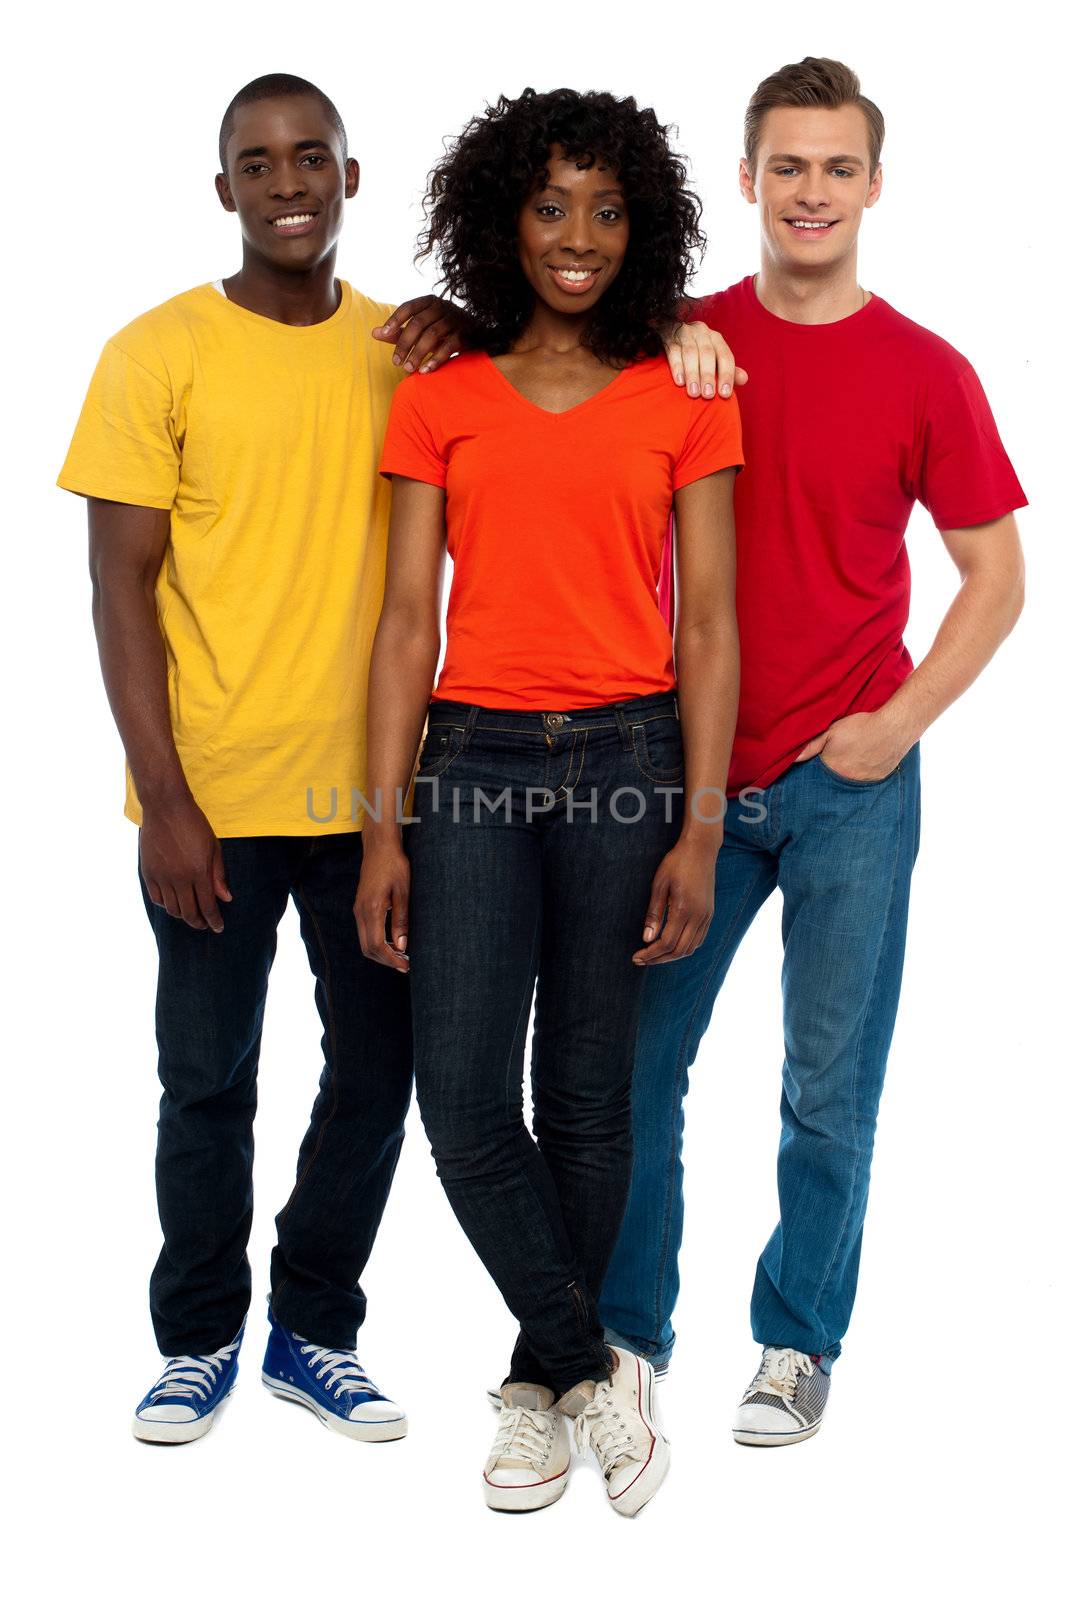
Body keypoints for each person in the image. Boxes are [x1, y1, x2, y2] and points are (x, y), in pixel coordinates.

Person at [598, 56, 1027, 1445]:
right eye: (786, 165)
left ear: (874, 186)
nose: (810, 191)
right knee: (634, 1068)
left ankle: (794, 1343)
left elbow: (995, 578)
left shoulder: (925, 370)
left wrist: (894, 726)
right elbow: (541, 345)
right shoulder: (683, 339)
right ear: (746, 180)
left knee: (827, 1086)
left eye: (836, 167)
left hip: (853, 786)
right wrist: (660, 331)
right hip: (689, 778)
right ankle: (623, 1339)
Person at [57, 72, 468, 1446]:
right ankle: (194, 1341)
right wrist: (164, 802)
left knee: (374, 1075)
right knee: (207, 1080)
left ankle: (312, 1329)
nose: (286, 181)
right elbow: (120, 591)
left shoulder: (407, 353)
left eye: (312, 157)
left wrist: (462, 328)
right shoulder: (153, 353)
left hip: (374, 807)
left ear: (351, 179)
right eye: (257, 160)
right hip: (213, 804)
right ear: (222, 188)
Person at [355, 87, 743, 1515]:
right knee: (461, 1099)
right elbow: (406, 624)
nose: (576, 236)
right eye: (547, 205)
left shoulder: (679, 395)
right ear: (497, 218)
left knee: (583, 1098)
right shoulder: (437, 397)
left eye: (606, 209)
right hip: (468, 766)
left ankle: (531, 1389)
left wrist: (699, 824)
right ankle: (592, 1370)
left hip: (631, 761)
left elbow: (707, 627)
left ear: (639, 228)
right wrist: (384, 823)